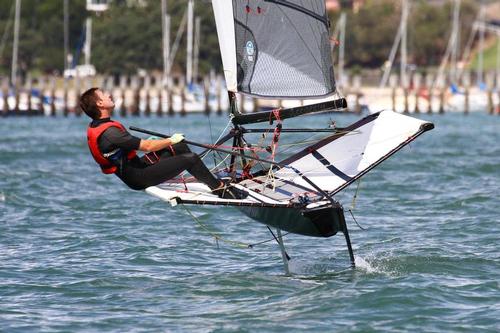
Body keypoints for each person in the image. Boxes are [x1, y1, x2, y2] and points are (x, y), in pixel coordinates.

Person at [79, 87, 244, 199]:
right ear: (100, 104)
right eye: (104, 94)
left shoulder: (100, 126)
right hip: (138, 177)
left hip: (138, 166)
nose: (108, 94)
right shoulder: (110, 132)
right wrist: (169, 140)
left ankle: (203, 176)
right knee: (190, 158)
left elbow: (133, 147)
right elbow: (148, 147)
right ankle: (220, 189)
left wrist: (170, 143)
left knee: (178, 147)